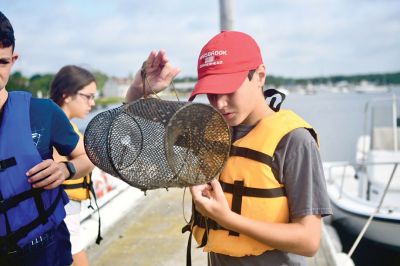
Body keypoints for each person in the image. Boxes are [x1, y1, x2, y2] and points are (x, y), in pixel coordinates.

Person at [126, 31, 332, 266]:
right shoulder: (207, 128)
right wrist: (138, 90)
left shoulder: (294, 141)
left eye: (230, 89)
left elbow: (309, 241)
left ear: (260, 76)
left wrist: (227, 219)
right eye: (212, 93)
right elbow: (134, 129)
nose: (220, 103)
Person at [0, 11, 93, 266]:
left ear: (13, 59)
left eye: (1, 62)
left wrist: (66, 169)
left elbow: (88, 156)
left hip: (47, 250)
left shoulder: (42, 112)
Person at [50, 65, 98, 266]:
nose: (93, 103)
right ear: (66, 95)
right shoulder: (56, 129)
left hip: (69, 213)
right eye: (88, 96)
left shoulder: (64, 127)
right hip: (64, 213)